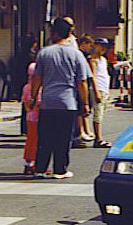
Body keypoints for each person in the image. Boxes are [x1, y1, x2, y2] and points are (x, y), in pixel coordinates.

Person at [28, 17, 92, 179]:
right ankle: (60, 169)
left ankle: (40, 168)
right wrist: (84, 103)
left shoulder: (44, 53)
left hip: (48, 102)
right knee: (63, 138)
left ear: (54, 32)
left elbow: (37, 78)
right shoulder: (77, 54)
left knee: (45, 137)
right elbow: (82, 82)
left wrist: (33, 98)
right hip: (67, 103)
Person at [88, 37, 113, 148]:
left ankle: (99, 138)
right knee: (97, 114)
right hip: (97, 89)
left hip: (104, 88)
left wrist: (108, 91)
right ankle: (98, 139)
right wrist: (96, 91)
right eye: (101, 45)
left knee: (101, 113)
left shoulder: (104, 60)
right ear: (96, 45)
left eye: (105, 46)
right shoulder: (93, 60)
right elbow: (92, 76)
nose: (103, 48)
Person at [21, 62, 41, 175]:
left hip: (29, 118)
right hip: (38, 118)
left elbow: (26, 104)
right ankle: (35, 164)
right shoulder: (39, 88)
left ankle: (28, 163)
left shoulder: (26, 87)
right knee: (38, 142)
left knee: (30, 140)